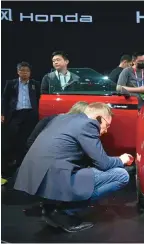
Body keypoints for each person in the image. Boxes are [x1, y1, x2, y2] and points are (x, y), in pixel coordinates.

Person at [14, 102, 133, 233]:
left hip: (34, 176)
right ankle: (63, 212)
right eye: (107, 125)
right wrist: (122, 159)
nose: (106, 130)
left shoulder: (61, 118)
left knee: (91, 172)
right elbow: (103, 163)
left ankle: (52, 206)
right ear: (99, 118)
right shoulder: (89, 125)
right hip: (54, 176)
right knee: (121, 175)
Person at [1, 62, 40, 176]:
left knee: (26, 140)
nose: (24, 73)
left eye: (27, 71)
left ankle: (23, 165)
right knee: (11, 139)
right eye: (22, 70)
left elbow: (39, 98)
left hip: (30, 115)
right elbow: (4, 99)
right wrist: (2, 113)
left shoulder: (35, 84)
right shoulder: (11, 83)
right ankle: (8, 167)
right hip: (15, 115)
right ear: (18, 71)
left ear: (30, 73)